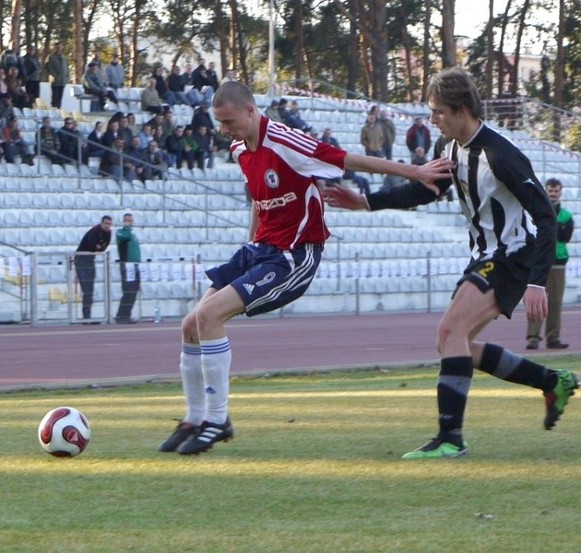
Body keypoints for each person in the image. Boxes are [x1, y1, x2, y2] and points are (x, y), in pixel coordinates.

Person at [157, 80, 453, 456]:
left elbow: (347, 160)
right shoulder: (239, 149)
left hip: (294, 255)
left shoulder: (285, 141)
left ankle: (218, 419)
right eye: (220, 123)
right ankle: (196, 417)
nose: (224, 131)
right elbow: (259, 197)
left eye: (229, 121)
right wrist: (251, 242)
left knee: (210, 316)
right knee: (190, 325)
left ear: (251, 111)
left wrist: (416, 172)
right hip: (260, 249)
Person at [324, 67, 581, 459]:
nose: (432, 120)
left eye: (437, 112)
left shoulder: (501, 153)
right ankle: (551, 380)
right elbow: (425, 191)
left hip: (510, 256)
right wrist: (367, 201)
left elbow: (545, 216)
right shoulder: (451, 150)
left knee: (450, 329)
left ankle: (450, 438)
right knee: (453, 343)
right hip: (486, 256)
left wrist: (536, 282)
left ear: (462, 110)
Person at [526, 178, 574, 350]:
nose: (553, 194)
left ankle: (553, 337)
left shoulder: (567, 215)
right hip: (539, 262)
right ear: (545, 191)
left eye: (556, 191)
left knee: (555, 302)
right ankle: (533, 337)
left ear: (560, 192)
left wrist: (550, 230)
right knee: (536, 302)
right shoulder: (536, 211)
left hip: (558, 262)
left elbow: (565, 236)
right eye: (550, 191)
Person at [75, 216, 113, 322]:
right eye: (106, 223)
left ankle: (87, 316)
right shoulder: (94, 231)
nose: (107, 226)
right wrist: (98, 247)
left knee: (90, 289)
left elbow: (103, 248)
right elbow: (92, 247)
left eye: (109, 224)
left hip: (90, 260)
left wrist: (98, 247)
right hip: (81, 260)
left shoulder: (109, 233)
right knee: (87, 289)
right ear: (101, 223)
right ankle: (86, 317)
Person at [115, 213, 141, 323]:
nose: (130, 222)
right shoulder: (121, 232)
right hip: (127, 264)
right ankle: (121, 315)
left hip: (135, 264)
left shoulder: (133, 234)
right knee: (128, 291)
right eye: (128, 220)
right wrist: (127, 228)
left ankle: (127, 314)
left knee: (134, 291)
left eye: (131, 220)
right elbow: (124, 238)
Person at [46, 42, 69, 109]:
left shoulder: (64, 58)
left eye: (60, 47)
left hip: (63, 80)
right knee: (55, 96)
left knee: (60, 97)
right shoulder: (51, 57)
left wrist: (67, 77)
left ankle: (59, 109)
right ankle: (54, 109)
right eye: (57, 47)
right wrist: (54, 75)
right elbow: (48, 68)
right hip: (55, 80)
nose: (59, 49)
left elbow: (67, 68)